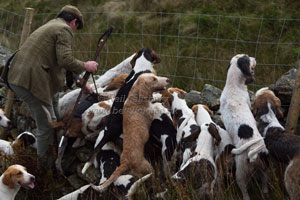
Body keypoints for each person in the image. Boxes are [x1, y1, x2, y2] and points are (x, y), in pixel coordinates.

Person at [6, 5, 98, 168]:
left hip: (19, 77)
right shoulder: (64, 30)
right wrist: (86, 65)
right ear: (74, 22)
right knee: (47, 126)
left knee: (53, 116)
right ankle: (41, 169)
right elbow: (65, 59)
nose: (75, 32)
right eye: (77, 28)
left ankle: (51, 155)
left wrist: (81, 82)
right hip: (31, 82)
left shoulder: (51, 25)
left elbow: (58, 62)